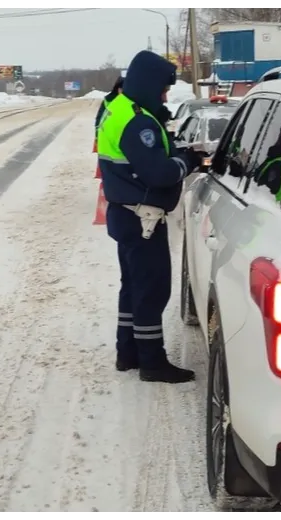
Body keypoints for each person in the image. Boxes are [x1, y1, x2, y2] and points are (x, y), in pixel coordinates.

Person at [96, 50, 202, 384]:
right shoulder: (137, 120)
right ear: (148, 84)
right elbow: (159, 172)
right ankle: (152, 362)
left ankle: (127, 353)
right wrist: (190, 160)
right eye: (163, 90)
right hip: (142, 218)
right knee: (151, 291)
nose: (165, 96)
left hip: (125, 214)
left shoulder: (120, 108)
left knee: (133, 288)